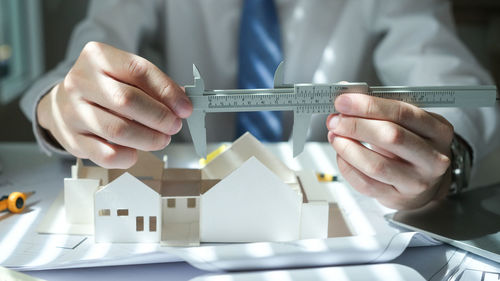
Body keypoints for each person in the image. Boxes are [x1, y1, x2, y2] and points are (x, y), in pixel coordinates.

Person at [21, 0, 500, 210]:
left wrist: (441, 164)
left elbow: (451, 81)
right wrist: (60, 109)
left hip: (339, 202)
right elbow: (81, 65)